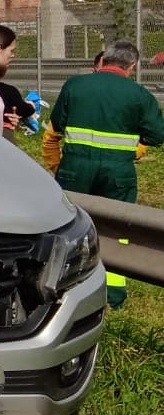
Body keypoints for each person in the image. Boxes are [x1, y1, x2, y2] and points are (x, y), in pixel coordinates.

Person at [45, 40, 164, 309]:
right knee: (117, 231)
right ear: (131, 66)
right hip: (117, 173)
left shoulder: (75, 85)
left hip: (75, 169)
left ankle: (60, 287)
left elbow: (58, 125)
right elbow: (158, 135)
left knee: (67, 226)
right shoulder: (139, 94)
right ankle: (113, 296)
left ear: (103, 60)